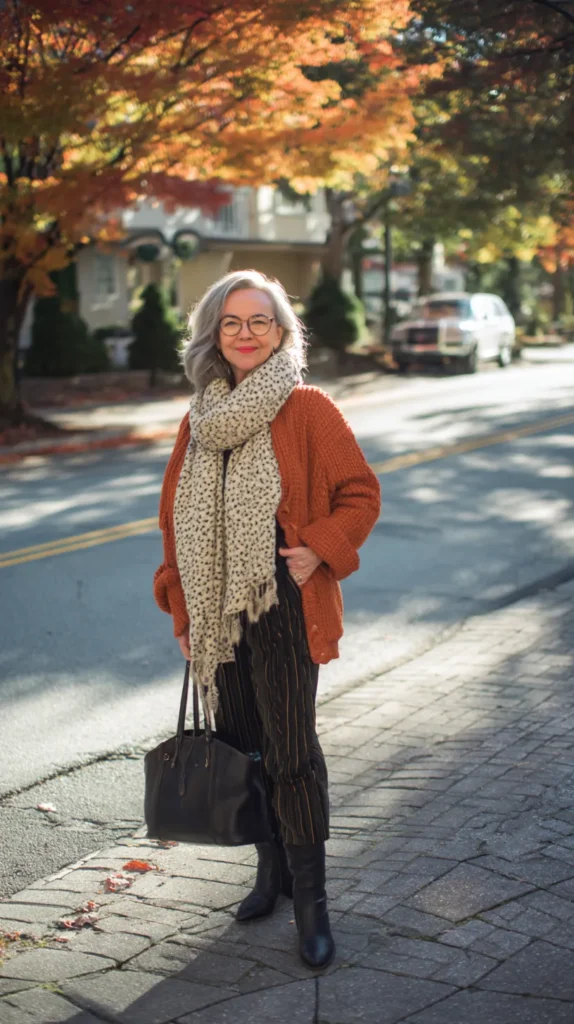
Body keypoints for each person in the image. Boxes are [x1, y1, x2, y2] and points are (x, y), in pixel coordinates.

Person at [153, 269, 380, 969]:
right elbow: (173, 525)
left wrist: (320, 549)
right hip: (219, 610)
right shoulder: (199, 420)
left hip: (283, 598)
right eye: (232, 322)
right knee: (245, 748)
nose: (246, 333)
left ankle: (312, 904)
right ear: (213, 336)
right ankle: (271, 875)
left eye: (260, 321)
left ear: (282, 332)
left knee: (290, 753)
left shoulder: (307, 408)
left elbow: (360, 494)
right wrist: (184, 609)